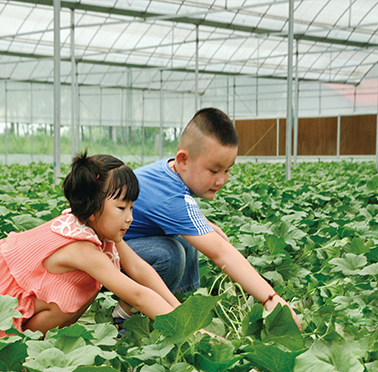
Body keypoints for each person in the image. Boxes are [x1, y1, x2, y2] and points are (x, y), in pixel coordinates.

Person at [0, 151, 181, 346]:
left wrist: (182, 313)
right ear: (93, 208)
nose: (129, 218)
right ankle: (23, 349)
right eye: (122, 208)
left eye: (132, 207)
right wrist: (184, 329)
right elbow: (137, 294)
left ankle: (38, 344)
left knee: (80, 291)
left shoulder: (92, 225)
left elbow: (139, 268)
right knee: (70, 299)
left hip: (20, 305)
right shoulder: (81, 248)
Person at [117, 107, 301, 329]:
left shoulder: (169, 172)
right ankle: (127, 318)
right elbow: (219, 252)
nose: (221, 180)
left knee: (191, 238)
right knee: (169, 254)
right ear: (183, 160)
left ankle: (173, 301)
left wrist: (206, 225)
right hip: (100, 256)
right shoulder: (171, 197)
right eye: (214, 171)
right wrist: (271, 299)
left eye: (227, 170)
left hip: (124, 244)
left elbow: (180, 211)